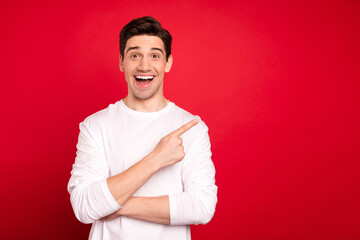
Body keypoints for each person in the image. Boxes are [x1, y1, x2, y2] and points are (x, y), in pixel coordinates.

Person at [68, 16, 217, 240]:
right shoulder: (95, 126)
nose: (144, 66)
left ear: (168, 63)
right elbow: (84, 206)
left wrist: (116, 205)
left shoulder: (191, 128)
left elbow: (202, 206)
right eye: (134, 55)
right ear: (121, 62)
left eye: (155, 56)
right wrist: (156, 159)